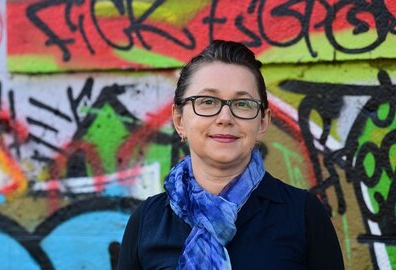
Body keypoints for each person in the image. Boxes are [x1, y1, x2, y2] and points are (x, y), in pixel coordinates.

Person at [117, 40, 344, 270]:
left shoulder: (302, 215)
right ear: (179, 120)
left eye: (243, 103)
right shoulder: (147, 221)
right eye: (207, 101)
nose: (225, 117)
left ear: (263, 120)